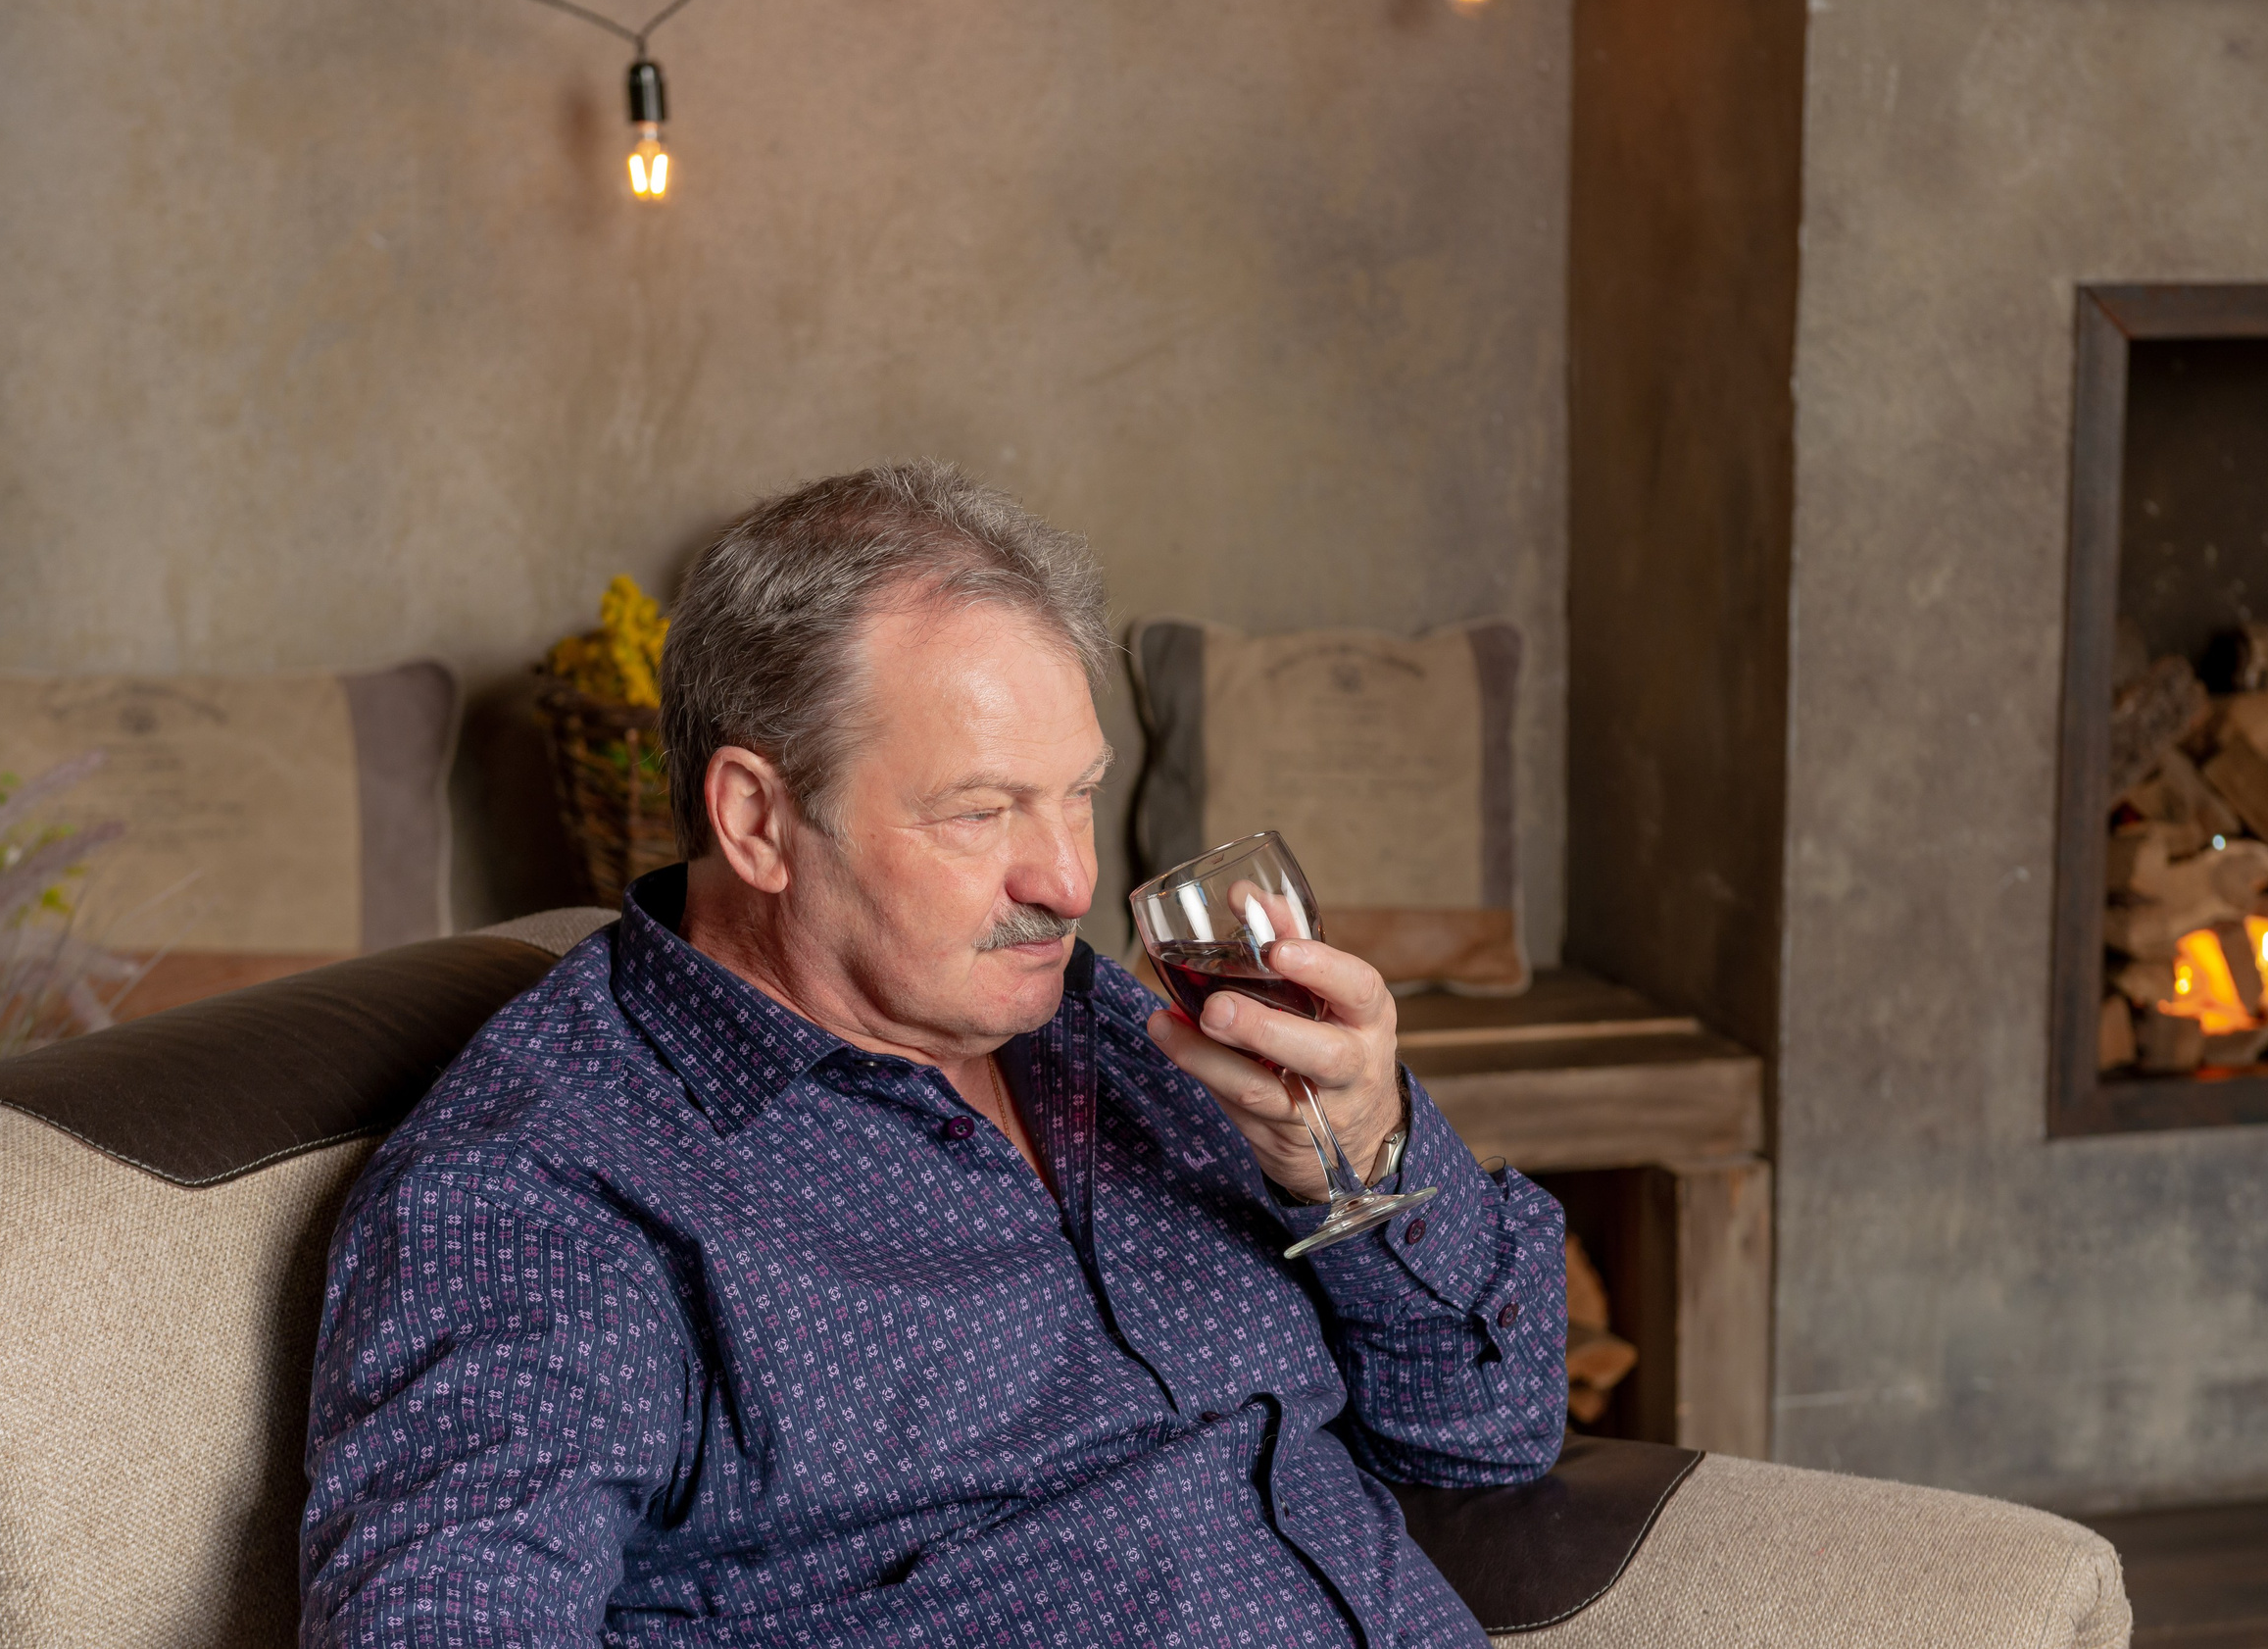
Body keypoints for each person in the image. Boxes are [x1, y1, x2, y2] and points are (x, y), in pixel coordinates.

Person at [299, 462, 1568, 1647]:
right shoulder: (547, 1192)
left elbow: (1489, 1433)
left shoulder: (1107, 1029)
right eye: (980, 812)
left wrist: (1358, 1160)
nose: (1071, 881)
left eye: (1078, 793)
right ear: (756, 818)